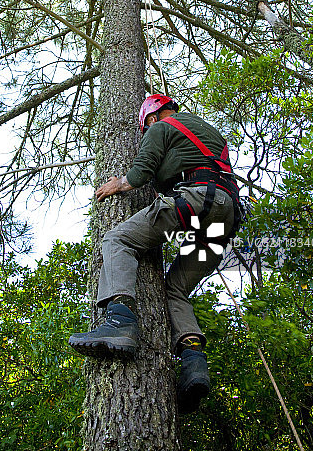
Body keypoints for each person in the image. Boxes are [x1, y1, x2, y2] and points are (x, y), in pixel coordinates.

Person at [68, 94, 241, 414]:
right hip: (223, 220)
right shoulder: (209, 134)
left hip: (194, 201)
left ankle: (119, 320)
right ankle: (192, 360)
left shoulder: (162, 127)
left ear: (151, 118)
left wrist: (120, 183)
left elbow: (140, 173)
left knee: (118, 240)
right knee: (174, 289)